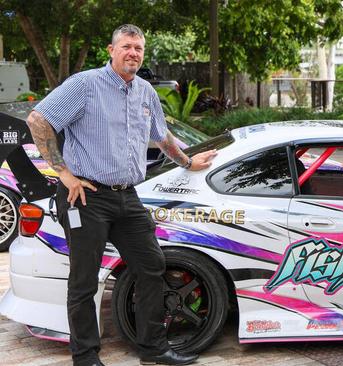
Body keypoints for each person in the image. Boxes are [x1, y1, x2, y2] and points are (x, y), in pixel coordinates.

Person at [26, 24, 217, 366]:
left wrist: (189, 161)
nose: (133, 53)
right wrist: (64, 174)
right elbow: (38, 119)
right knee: (84, 279)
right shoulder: (85, 85)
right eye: (127, 46)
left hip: (127, 196)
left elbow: (162, 136)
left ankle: (153, 348)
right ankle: (85, 357)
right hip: (84, 196)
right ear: (111, 51)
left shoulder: (144, 91)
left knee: (151, 265)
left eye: (139, 48)